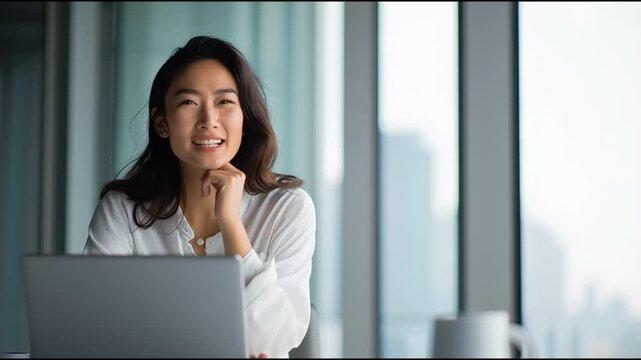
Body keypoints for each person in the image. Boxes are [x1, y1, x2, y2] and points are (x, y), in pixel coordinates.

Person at [83, 36, 316, 358]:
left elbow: (270, 343)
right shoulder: (122, 209)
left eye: (225, 102)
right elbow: (94, 330)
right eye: (188, 103)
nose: (209, 120)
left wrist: (230, 223)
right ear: (162, 123)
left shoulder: (288, 208)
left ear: (244, 117)